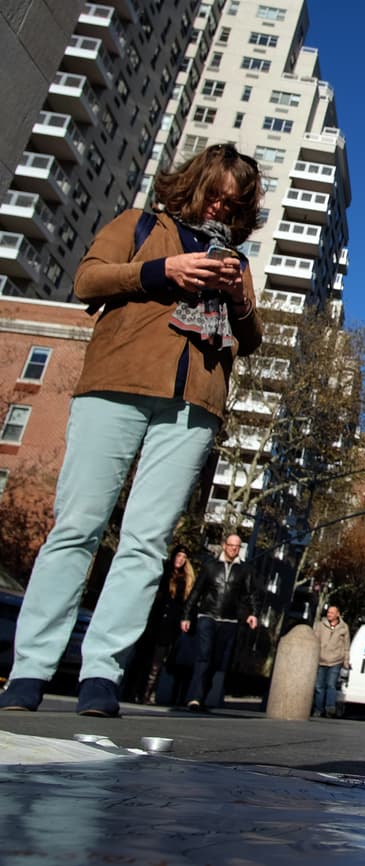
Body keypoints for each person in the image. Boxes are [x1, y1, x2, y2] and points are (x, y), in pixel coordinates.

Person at [0, 144, 263, 717]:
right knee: (77, 527)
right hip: (115, 386)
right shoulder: (139, 224)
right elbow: (88, 281)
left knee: (146, 544)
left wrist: (241, 300)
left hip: (193, 404)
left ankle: (102, 673)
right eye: (214, 193)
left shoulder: (236, 261)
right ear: (193, 185)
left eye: (234, 201)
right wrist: (161, 271)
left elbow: (252, 337)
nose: (221, 206)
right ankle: (30, 670)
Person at [182, 535, 260, 711]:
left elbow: (251, 594)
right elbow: (197, 591)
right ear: (224, 546)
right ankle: (194, 697)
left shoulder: (245, 570)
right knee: (204, 655)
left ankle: (202, 695)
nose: (233, 549)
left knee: (216, 660)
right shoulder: (211, 566)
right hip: (207, 616)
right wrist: (187, 615)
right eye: (231, 545)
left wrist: (253, 614)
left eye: (237, 546)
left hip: (229, 620)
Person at [129, 546, 198, 705]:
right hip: (153, 619)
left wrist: (185, 619)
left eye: (183, 557)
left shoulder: (187, 578)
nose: (180, 559)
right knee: (142, 657)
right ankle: (133, 690)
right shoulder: (163, 571)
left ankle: (148, 693)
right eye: (178, 556)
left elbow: (188, 602)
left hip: (170, 624)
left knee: (158, 662)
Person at [313, 603, 350, 718]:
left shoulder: (344, 628)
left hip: (335, 660)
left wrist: (346, 661)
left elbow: (346, 646)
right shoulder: (320, 625)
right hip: (320, 659)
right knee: (319, 686)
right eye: (328, 612)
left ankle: (330, 708)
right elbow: (314, 640)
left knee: (331, 684)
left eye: (332, 613)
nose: (329, 614)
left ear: (337, 614)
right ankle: (318, 709)